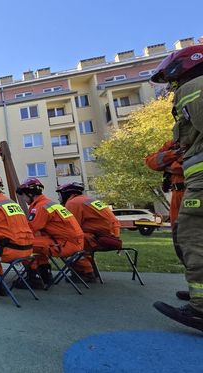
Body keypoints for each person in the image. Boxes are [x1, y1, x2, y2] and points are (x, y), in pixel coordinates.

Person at [150, 44, 203, 332]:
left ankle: (201, 308)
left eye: (171, 83)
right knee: (186, 241)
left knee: (193, 240)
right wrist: (174, 156)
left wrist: (176, 159)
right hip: (186, 186)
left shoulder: (194, 87)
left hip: (196, 185)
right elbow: (154, 160)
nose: (171, 89)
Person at [15, 178, 84, 289]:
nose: (23, 199)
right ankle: (44, 272)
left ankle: (34, 278)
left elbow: (30, 229)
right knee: (38, 241)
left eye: (23, 195)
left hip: (65, 244)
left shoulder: (40, 207)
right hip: (73, 242)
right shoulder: (49, 203)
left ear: (29, 193)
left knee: (22, 244)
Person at [145, 140, 189, 300]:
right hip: (177, 197)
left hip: (193, 191)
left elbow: (189, 166)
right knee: (181, 245)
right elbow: (152, 161)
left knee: (195, 244)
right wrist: (174, 154)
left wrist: (170, 165)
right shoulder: (174, 143)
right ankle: (196, 289)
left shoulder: (196, 139)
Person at [55, 182, 121, 283]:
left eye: (59, 195)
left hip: (101, 238)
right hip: (112, 236)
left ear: (66, 193)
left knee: (68, 243)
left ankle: (85, 272)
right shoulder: (86, 200)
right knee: (78, 239)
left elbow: (72, 227)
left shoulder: (73, 203)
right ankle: (90, 270)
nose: (59, 198)